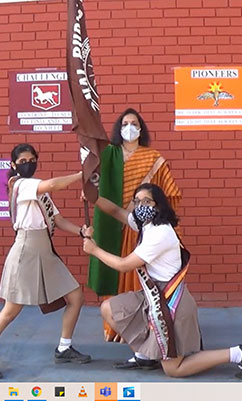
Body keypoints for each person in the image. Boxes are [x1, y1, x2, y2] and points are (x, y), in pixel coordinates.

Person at [82, 183, 242, 379]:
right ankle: (145, 356)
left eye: (147, 202)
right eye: (137, 202)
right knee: (109, 309)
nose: (141, 206)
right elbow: (116, 211)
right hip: (152, 295)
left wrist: (94, 250)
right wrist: (94, 198)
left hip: (172, 303)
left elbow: (124, 265)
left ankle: (238, 353)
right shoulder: (145, 224)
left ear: (158, 205)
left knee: (174, 369)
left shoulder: (160, 233)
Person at [0, 143, 92, 380]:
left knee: (76, 297)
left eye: (32, 160)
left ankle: (64, 348)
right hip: (26, 250)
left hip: (45, 249)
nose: (28, 164)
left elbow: (58, 220)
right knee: (10, 311)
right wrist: (81, 175)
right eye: (23, 161)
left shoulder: (38, 189)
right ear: (13, 165)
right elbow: (53, 185)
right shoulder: (20, 184)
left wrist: (81, 231)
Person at [87, 108, 182, 354]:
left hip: (140, 228)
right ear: (119, 128)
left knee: (134, 275)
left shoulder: (152, 157)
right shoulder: (109, 155)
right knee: (114, 276)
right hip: (111, 225)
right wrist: (91, 193)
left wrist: (149, 209)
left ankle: (145, 328)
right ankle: (115, 328)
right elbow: (95, 181)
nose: (129, 127)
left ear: (141, 128)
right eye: (125, 123)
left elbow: (169, 192)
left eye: (134, 123)